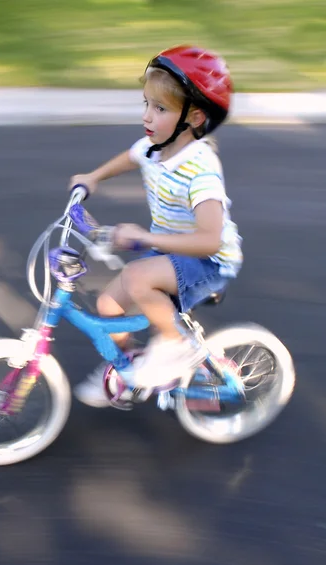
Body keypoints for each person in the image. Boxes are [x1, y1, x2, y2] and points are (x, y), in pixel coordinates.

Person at [70, 45, 243, 407]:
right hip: (170, 249)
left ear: (194, 117)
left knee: (137, 278)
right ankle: (128, 370)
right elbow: (131, 157)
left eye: (160, 108)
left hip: (209, 262)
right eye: (145, 104)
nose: (147, 116)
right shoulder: (155, 146)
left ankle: (176, 348)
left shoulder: (201, 170)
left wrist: (142, 236)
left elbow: (210, 240)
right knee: (107, 305)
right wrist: (93, 177)